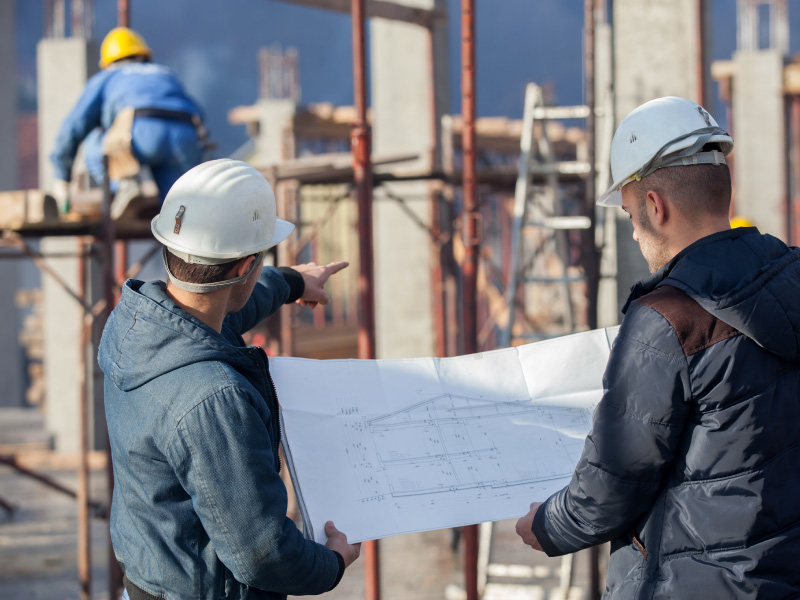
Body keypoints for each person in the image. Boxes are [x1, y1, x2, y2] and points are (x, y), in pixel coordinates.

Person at [515, 97, 800, 598]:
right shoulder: (790, 276)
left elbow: (613, 483)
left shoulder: (665, 318)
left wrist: (546, 526)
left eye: (627, 215)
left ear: (654, 206)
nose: (632, 231)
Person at [98, 159, 360, 600]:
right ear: (244, 266)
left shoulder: (138, 326)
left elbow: (230, 305)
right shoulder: (215, 398)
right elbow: (263, 553)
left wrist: (294, 282)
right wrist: (330, 563)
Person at [50, 27, 207, 218]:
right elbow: (198, 112)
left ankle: (125, 183)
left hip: (140, 132)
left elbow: (75, 125)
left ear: (107, 63)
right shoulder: (166, 73)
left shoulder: (108, 76)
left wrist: (62, 176)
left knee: (93, 140)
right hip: (185, 135)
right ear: (144, 56)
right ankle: (184, 229)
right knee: (180, 211)